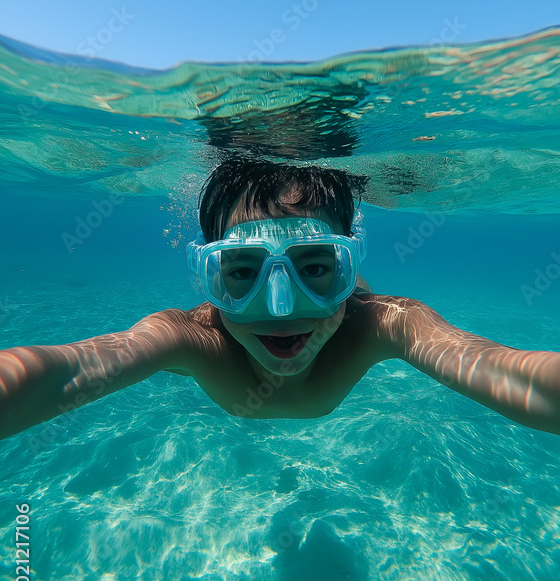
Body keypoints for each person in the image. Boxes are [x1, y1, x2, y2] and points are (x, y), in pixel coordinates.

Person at [1, 155, 559, 443]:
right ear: (208, 276)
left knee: (351, 300)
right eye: (240, 272)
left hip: (349, 305)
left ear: (349, 259)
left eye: (317, 266)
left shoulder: (384, 323)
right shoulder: (190, 338)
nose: (282, 308)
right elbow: (59, 373)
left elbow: (508, 371)